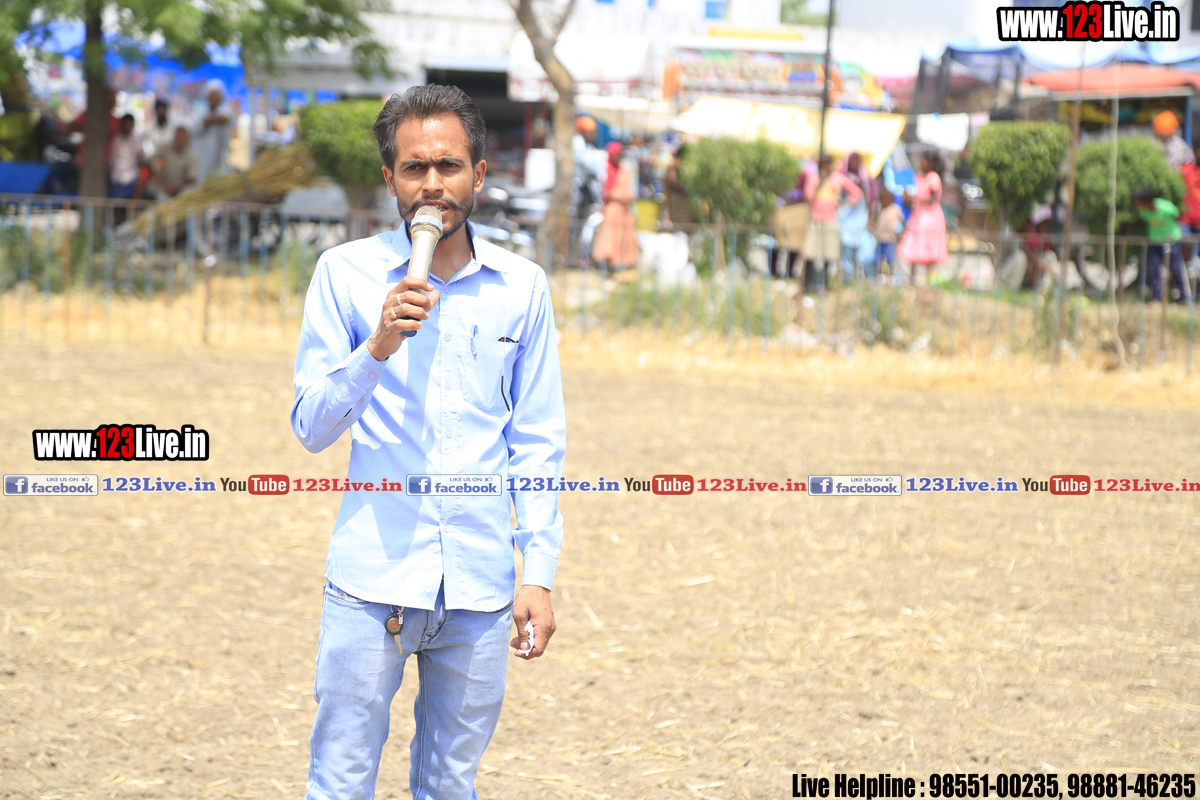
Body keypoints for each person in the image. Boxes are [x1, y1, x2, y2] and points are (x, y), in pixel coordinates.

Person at [290, 84, 565, 800]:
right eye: (415, 168)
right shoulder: (344, 275)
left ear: (480, 174)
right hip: (371, 582)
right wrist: (377, 345)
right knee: (339, 782)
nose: (432, 185)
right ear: (391, 179)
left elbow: (536, 439)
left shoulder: (522, 287)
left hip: (479, 590)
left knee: (449, 784)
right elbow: (311, 426)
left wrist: (537, 572)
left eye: (449, 165)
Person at [802, 154, 862, 291]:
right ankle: (808, 284)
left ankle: (824, 283)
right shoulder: (814, 178)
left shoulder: (838, 179)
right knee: (811, 252)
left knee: (829, 253)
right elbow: (808, 197)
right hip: (815, 219)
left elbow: (856, 193)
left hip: (831, 219)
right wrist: (819, 183)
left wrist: (844, 205)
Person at [898, 151, 948, 284]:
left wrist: (914, 197)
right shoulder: (919, 176)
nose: (921, 163)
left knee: (928, 246)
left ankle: (928, 281)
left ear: (930, 163)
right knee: (914, 245)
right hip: (918, 215)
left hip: (930, 217)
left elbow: (931, 200)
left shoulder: (933, 178)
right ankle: (911, 279)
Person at [1134, 186, 1188, 303]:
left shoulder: (1166, 207)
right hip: (1155, 242)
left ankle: (1184, 298)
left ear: (1146, 200)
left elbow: (1178, 216)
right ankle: (1156, 298)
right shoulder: (1143, 211)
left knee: (1176, 269)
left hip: (1171, 241)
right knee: (1153, 269)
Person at [592, 141, 639, 272]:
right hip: (610, 212)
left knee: (623, 239)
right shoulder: (605, 171)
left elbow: (629, 192)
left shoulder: (625, 171)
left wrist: (616, 195)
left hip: (623, 212)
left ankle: (620, 266)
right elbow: (603, 192)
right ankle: (607, 265)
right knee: (609, 239)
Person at [838, 151, 876, 280]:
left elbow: (871, 200)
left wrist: (871, 219)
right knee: (846, 247)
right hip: (846, 219)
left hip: (860, 218)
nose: (855, 163)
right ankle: (847, 278)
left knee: (861, 249)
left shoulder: (865, 180)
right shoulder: (843, 178)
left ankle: (861, 279)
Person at [194, 79, 233, 185]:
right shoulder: (201, 113)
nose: (214, 98)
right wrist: (211, 120)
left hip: (220, 155)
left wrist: (210, 120)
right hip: (203, 156)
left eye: (216, 96)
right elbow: (199, 125)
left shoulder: (226, 111)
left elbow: (224, 118)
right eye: (212, 96)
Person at [150, 126, 198, 199]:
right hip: (164, 184)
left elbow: (191, 178)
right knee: (161, 197)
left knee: (188, 193)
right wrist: (162, 182)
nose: (180, 139)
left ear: (188, 139)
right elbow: (155, 166)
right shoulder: (164, 149)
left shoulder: (192, 155)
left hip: (181, 186)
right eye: (179, 137)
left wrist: (175, 186)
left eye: (183, 138)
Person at [108, 113, 142, 200]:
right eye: (125, 124)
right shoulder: (115, 139)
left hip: (132, 178)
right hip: (117, 178)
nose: (127, 127)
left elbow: (140, 158)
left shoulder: (137, 140)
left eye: (129, 125)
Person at [873, 188, 904, 280]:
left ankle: (892, 275)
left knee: (890, 257)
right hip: (880, 238)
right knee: (879, 257)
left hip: (891, 238)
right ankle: (880, 274)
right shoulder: (880, 209)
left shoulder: (895, 209)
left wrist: (901, 231)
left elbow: (902, 221)